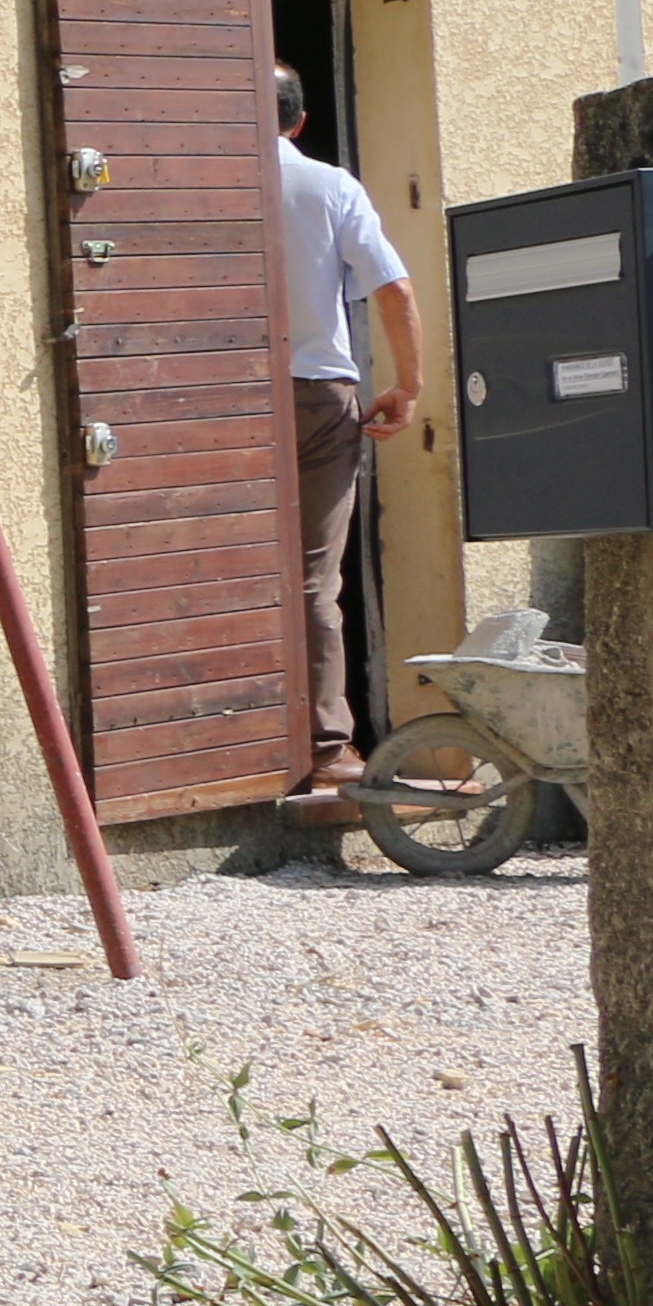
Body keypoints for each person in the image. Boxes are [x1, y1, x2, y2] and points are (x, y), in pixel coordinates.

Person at [276, 64, 422, 788]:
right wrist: (408, 385)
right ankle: (326, 746)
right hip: (315, 394)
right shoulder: (330, 186)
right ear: (300, 120)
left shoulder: (203, 182)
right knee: (311, 577)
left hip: (223, 398)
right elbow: (393, 289)